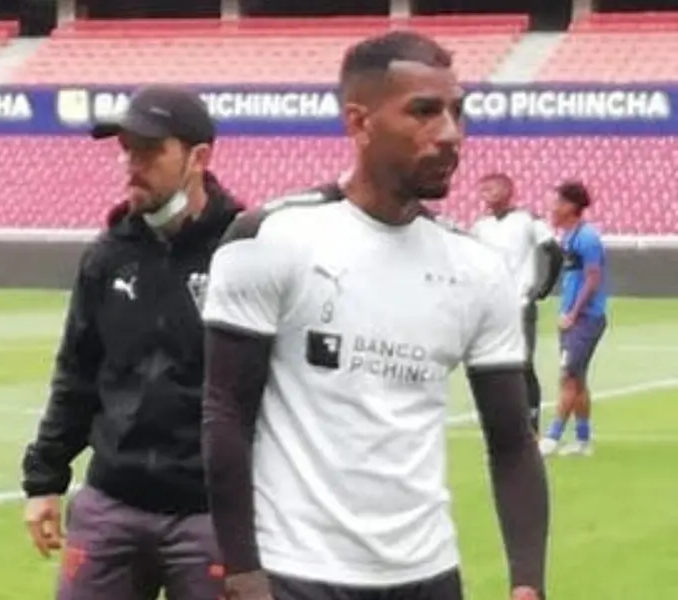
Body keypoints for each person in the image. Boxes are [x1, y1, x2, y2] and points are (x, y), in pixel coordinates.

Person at [200, 31, 549, 600]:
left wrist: (527, 582)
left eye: (457, 112)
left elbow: (511, 440)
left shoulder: (478, 269)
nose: (450, 134)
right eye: (424, 112)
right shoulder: (270, 238)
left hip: (428, 574)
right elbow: (226, 415)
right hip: (297, 572)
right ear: (359, 123)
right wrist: (242, 572)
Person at [20, 85, 243, 600]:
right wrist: (44, 479)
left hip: (210, 514)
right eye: (127, 150)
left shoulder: (245, 251)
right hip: (111, 503)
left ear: (198, 158)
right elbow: (77, 373)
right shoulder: (108, 255)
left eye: (149, 151)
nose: (131, 164)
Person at [470, 172, 564, 434]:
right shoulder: (480, 227)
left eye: (490, 189)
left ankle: (531, 426)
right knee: (493, 366)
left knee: (523, 365)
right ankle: (502, 422)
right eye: (483, 190)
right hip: (490, 308)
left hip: (520, 305)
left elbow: (554, 252)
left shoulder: (527, 220)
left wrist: (544, 288)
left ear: (507, 191)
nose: (485, 195)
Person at [538, 180, 608, 458]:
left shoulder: (587, 238)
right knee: (577, 379)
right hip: (572, 318)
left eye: (556, 202)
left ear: (570, 206)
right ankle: (582, 439)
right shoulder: (569, 236)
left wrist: (573, 313)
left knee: (568, 376)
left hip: (584, 319)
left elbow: (592, 278)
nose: (551, 207)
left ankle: (552, 437)